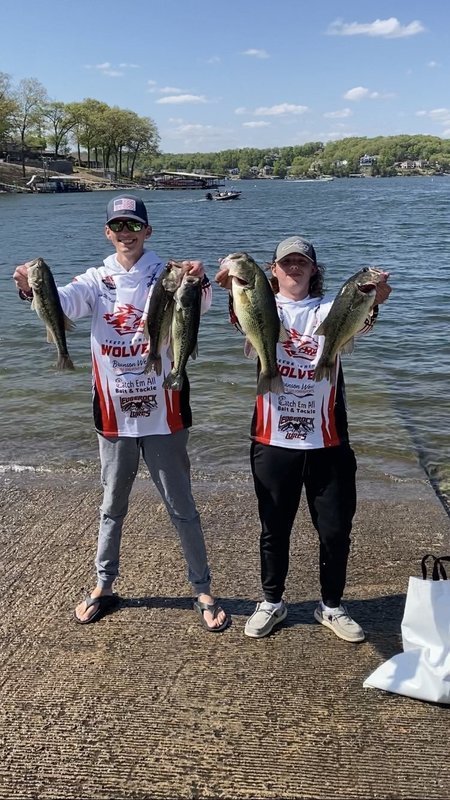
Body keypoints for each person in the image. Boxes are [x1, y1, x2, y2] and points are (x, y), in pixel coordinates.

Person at [13, 195, 230, 632]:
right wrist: (28, 286)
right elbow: (62, 302)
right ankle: (103, 584)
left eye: (133, 224)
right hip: (113, 414)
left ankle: (203, 588)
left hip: (166, 412)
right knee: (112, 506)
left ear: (147, 230)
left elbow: (200, 305)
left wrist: (200, 278)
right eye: (118, 225)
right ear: (107, 233)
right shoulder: (96, 278)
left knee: (182, 506)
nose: (126, 232)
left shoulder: (167, 273)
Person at [215, 236, 391, 641]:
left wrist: (375, 299)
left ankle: (331, 606)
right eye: (286, 262)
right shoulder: (261, 301)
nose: (294, 267)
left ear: (314, 270)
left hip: (328, 439)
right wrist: (229, 288)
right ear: (272, 270)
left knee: (335, 530)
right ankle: (271, 602)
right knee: (273, 528)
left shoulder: (330, 308)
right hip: (272, 437)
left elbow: (362, 320)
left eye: (302, 262)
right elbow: (239, 316)